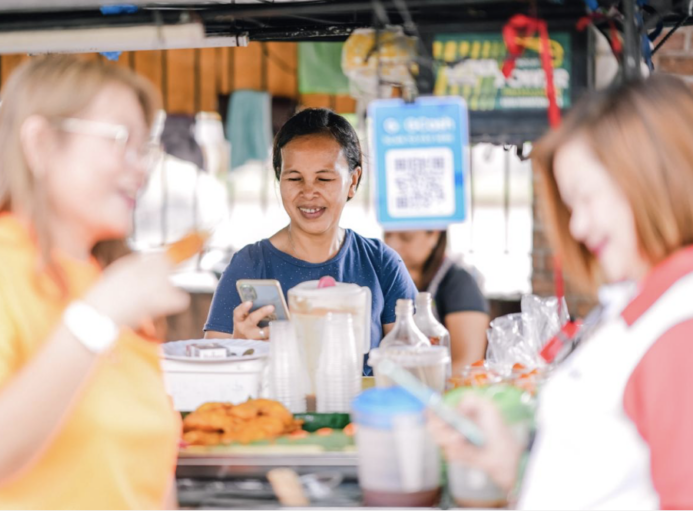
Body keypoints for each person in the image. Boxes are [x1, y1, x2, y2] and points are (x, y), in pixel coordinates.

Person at [0, 56, 190, 510]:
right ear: (41, 143)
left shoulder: (107, 281)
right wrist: (94, 321)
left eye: (143, 146)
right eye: (120, 140)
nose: (140, 169)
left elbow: (146, 474)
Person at [429, 74, 693, 509]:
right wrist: (508, 459)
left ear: (653, 178)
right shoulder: (642, 307)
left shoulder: (679, 330)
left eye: (588, 197)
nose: (577, 226)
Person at [204, 108, 417, 369]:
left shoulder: (381, 263)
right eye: (294, 178)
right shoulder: (249, 265)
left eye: (324, 178)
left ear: (353, 181)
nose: (309, 192)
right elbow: (213, 369)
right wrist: (239, 346)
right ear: (279, 179)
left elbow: (413, 360)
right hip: (275, 410)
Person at [384, 230, 490, 372]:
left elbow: (467, 362)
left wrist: (418, 383)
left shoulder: (459, 283)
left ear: (434, 235)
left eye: (406, 237)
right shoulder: (389, 279)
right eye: (388, 235)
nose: (393, 244)